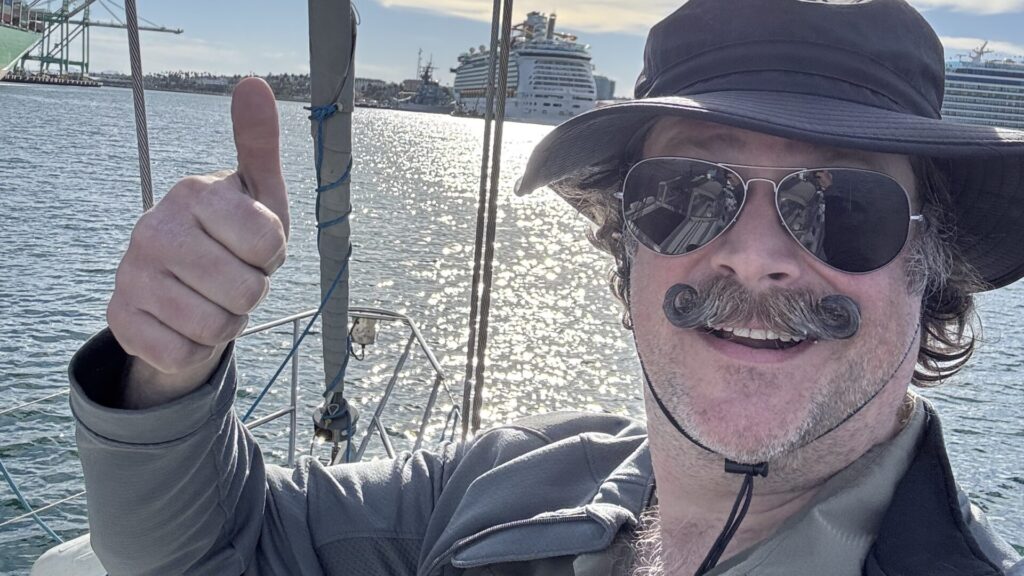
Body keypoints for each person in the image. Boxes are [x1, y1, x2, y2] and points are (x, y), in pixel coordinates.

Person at [70, 0, 1023, 574]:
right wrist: (166, 372)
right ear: (627, 249)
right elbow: (202, 550)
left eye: (846, 205)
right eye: (689, 194)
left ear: (930, 272)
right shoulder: (501, 482)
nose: (755, 255)